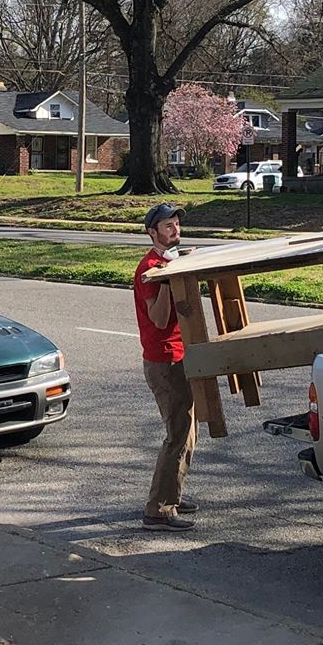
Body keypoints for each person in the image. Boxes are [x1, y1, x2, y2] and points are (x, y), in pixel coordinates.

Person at [133, 201, 198, 531]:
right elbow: (159, 319)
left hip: (181, 356)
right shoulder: (150, 268)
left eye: (176, 224)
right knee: (177, 434)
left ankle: (172, 494)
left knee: (188, 431)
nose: (176, 230)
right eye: (168, 226)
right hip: (163, 361)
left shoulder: (170, 262)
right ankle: (157, 509)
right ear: (152, 232)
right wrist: (170, 280)